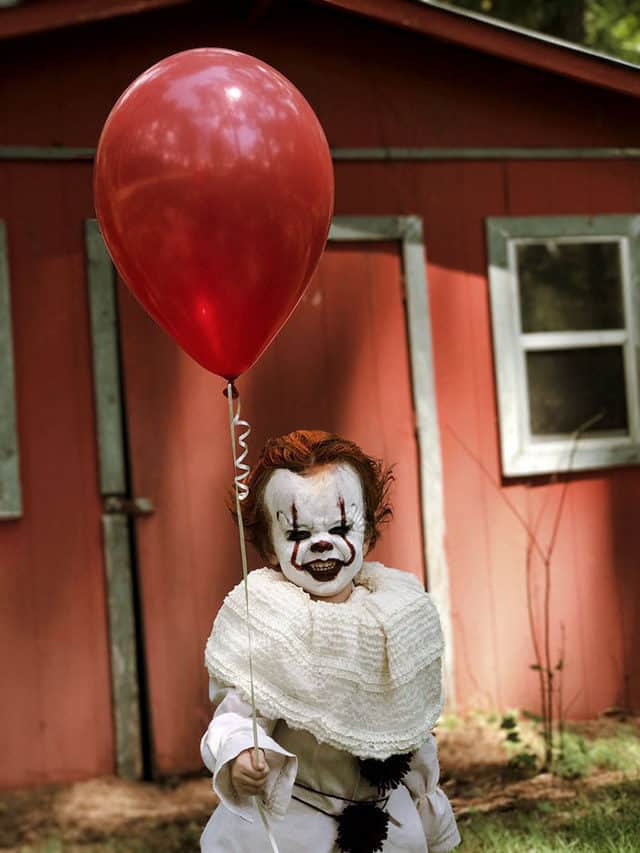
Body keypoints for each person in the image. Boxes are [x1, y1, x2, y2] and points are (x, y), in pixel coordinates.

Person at [200, 430, 460, 853]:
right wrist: (243, 752)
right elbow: (235, 714)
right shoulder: (270, 620)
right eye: (298, 534)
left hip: (385, 819)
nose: (322, 544)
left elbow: (412, 730)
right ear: (268, 547)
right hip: (296, 825)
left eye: (340, 526)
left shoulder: (396, 616)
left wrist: (429, 816)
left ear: (369, 535)